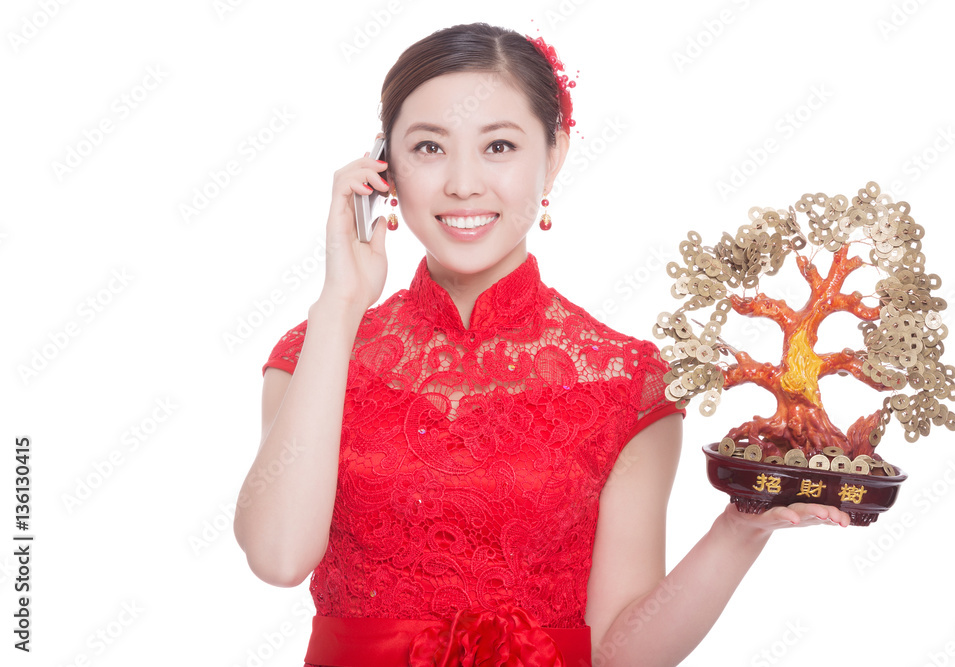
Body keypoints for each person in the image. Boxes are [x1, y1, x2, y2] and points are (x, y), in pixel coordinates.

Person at [233, 21, 851, 667]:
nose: (464, 184)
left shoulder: (624, 379)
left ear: (553, 156)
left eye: (499, 146)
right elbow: (277, 556)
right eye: (428, 147)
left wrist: (741, 527)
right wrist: (340, 303)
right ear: (383, 167)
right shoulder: (315, 350)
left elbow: (619, 652)